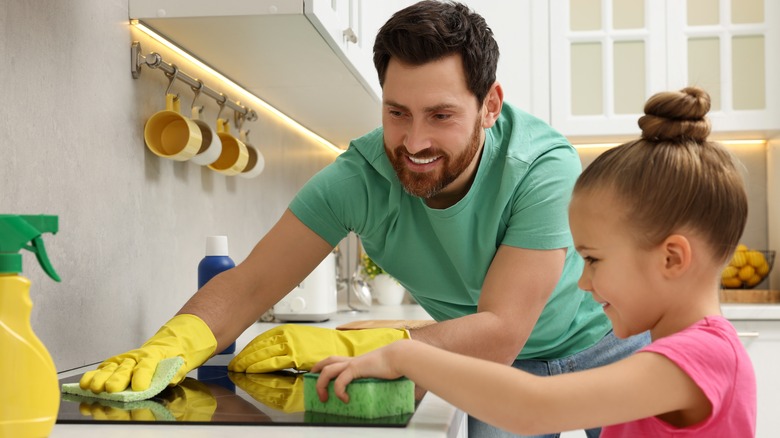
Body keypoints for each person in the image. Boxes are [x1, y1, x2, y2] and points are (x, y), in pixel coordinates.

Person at [79, 2, 647, 436]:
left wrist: (360, 347)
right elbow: (250, 284)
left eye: (441, 115)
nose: (414, 142)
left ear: (490, 106)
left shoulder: (542, 167)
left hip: (602, 345)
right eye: (397, 112)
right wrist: (169, 345)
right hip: (488, 367)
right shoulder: (358, 177)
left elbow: (501, 331)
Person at [312, 87, 757, 437]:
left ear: (672, 258)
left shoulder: (700, 358)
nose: (582, 283)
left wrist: (406, 355)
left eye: (593, 259)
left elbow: (533, 406)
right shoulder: (682, 352)